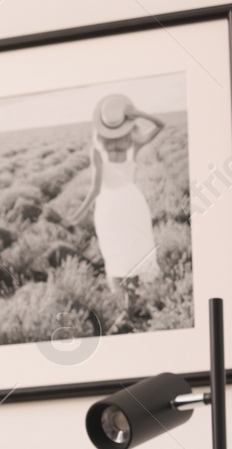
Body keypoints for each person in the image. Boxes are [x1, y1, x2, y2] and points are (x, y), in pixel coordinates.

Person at [64, 92, 166, 328]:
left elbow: (95, 190)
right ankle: (140, 304)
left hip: (109, 206)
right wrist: (138, 114)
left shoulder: (97, 150)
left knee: (115, 253)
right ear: (126, 122)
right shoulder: (134, 144)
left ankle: (126, 310)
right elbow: (161, 125)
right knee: (137, 248)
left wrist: (76, 216)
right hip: (133, 201)